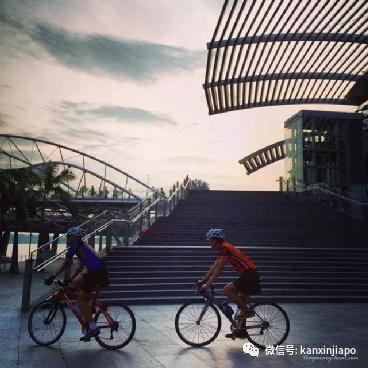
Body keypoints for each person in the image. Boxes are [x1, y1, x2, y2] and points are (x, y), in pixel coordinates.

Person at [44, 227, 110, 341]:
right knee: (76, 282)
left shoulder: (74, 246)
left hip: (96, 273)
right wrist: (71, 278)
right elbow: (80, 266)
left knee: (80, 299)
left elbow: (66, 263)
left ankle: (93, 328)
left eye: (68, 236)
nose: (67, 238)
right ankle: (89, 306)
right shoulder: (83, 246)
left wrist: (53, 276)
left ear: (74, 237)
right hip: (99, 272)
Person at [198, 229, 261, 337]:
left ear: (215, 241)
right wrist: (203, 280)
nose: (209, 242)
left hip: (249, 275)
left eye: (210, 240)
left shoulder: (225, 249)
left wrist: (207, 284)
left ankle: (248, 311)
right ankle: (241, 331)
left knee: (227, 290)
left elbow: (218, 270)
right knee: (241, 300)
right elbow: (214, 266)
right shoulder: (223, 249)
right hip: (247, 274)